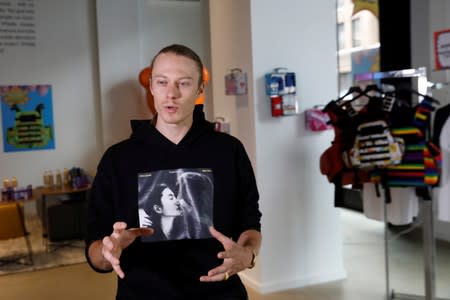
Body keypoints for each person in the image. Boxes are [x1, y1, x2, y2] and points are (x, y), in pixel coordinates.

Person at [85, 44, 262, 300]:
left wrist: (248, 255)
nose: (171, 94)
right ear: (151, 87)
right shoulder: (117, 159)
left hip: (220, 294)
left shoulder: (229, 151)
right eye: (162, 82)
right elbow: (94, 249)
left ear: (200, 90)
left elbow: (250, 224)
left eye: (184, 83)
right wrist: (107, 252)